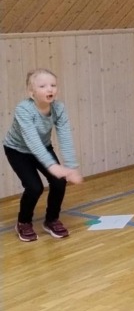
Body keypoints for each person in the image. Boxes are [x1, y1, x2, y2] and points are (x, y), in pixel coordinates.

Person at [4, 68, 84, 242]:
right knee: (34, 187)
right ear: (31, 92)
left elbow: (65, 136)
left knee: (59, 182)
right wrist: (52, 166)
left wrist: (71, 167)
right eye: (43, 86)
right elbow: (32, 141)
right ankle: (23, 222)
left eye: (53, 85)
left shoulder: (58, 108)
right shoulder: (24, 109)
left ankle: (51, 220)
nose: (50, 89)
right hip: (18, 150)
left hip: (43, 147)